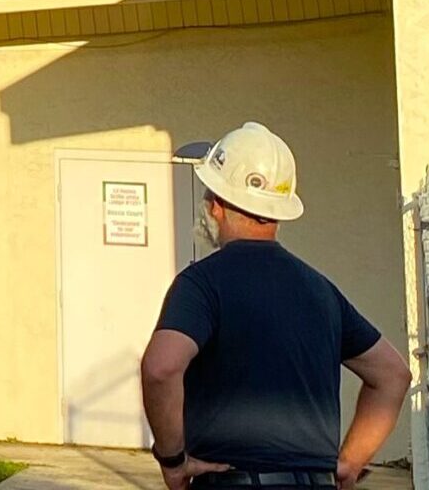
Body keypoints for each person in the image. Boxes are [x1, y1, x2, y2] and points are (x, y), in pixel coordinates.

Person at [140, 123, 410, 490]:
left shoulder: (201, 284)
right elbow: (393, 375)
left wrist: (172, 460)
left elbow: (161, 367)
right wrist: (348, 464)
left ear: (215, 205)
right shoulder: (320, 290)